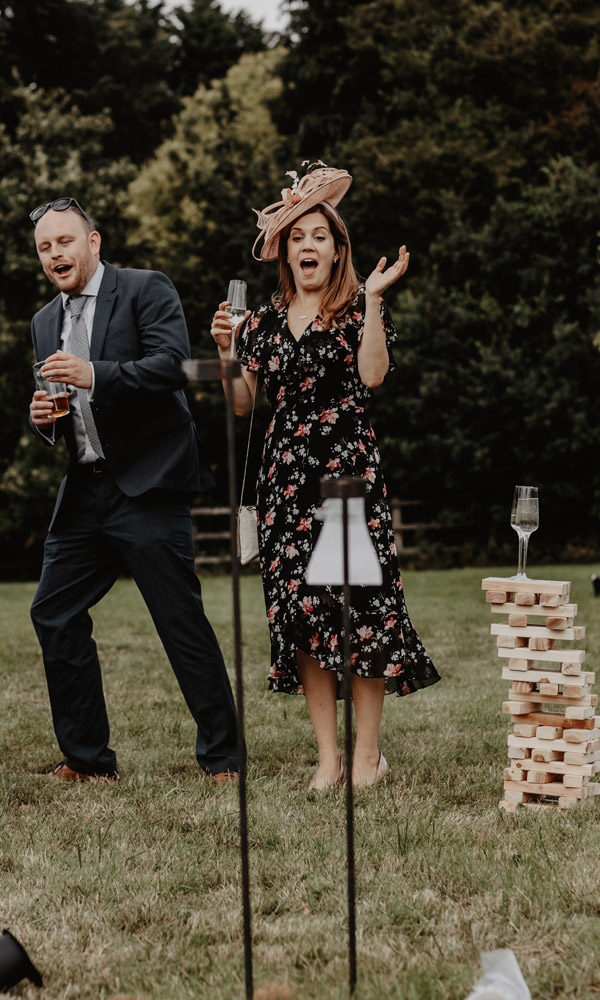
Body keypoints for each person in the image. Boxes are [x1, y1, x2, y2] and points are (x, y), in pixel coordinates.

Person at [209, 165, 438, 790]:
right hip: (285, 488)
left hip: (345, 486)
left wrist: (371, 299)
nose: (308, 245)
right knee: (305, 616)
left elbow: (371, 376)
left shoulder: (355, 312)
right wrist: (227, 351)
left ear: (338, 250)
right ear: (284, 250)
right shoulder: (259, 321)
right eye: (298, 236)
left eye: (320, 236)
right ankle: (328, 760)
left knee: (358, 612)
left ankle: (367, 759)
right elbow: (239, 403)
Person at [27, 196, 239, 783]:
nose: (55, 255)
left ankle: (223, 758)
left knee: (178, 620)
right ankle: (88, 760)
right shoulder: (45, 322)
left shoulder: (146, 288)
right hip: (85, 488)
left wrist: (96, 372)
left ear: (93, 243)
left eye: (65, 242)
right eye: (45, 247)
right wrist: (42, 417)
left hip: (148, 482)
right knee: (53, 612)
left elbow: (172, 365)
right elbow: (53, 405)